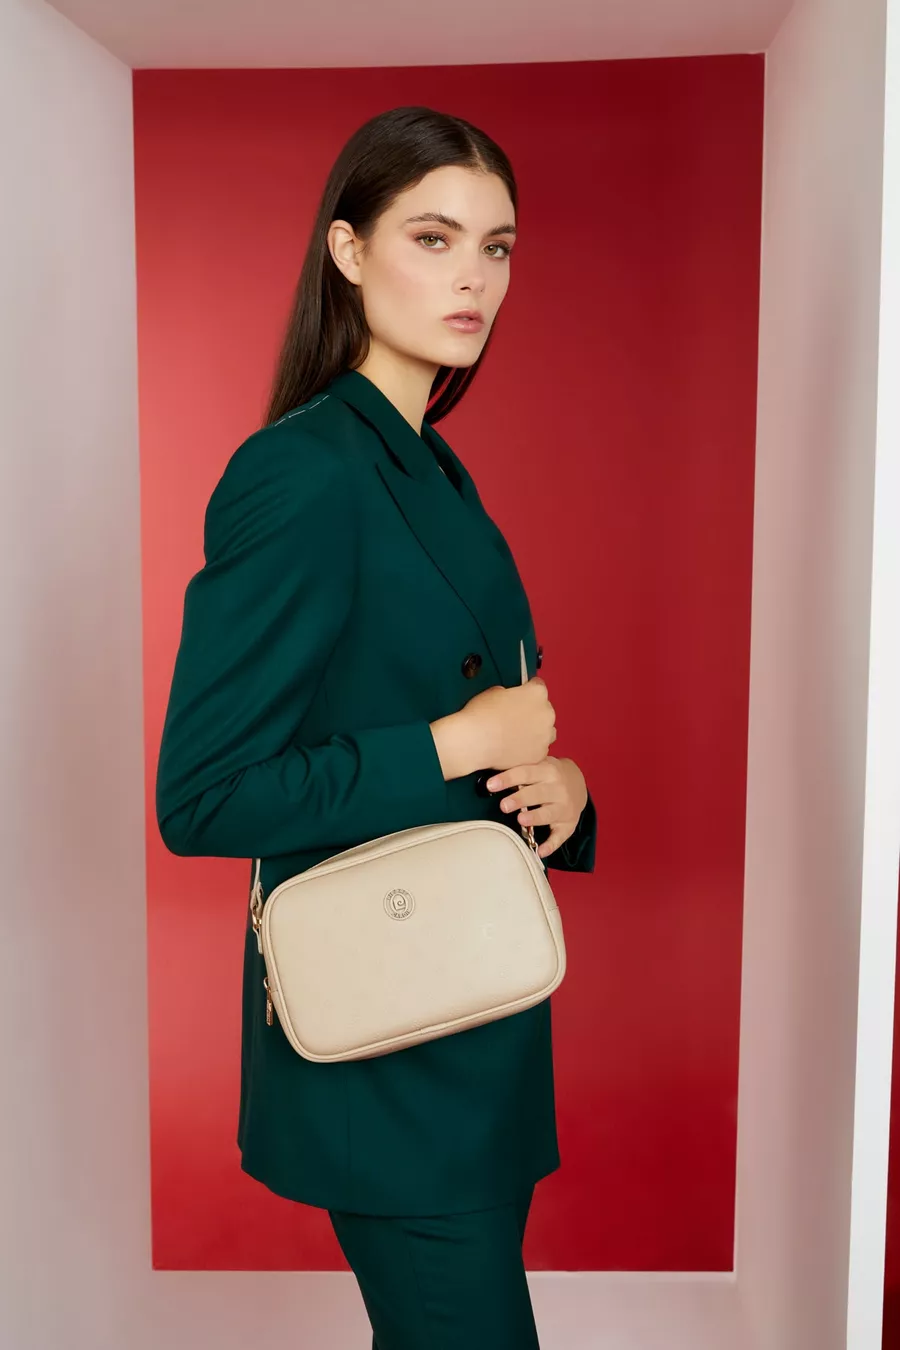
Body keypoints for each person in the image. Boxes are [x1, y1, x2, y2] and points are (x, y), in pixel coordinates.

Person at [155, 103, 597, 1350]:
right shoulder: (301, 472)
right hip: (392, 1038)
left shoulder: (429, 463)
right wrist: (459, 746)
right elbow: (206, 796)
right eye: (433, 238)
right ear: (347, 251)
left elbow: (470, 708)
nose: (473, 278)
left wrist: (561, 788)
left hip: (479, 1006)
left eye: (496, 248)